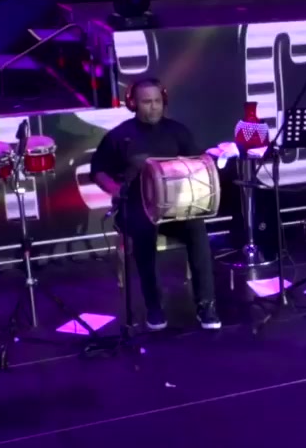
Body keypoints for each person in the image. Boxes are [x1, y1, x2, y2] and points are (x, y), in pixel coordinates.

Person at [90, 78, 221, 331]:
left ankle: (206, 304)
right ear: (133, 104)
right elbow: (98, 171)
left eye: (158, 101)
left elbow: (198, 162)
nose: (154, 107)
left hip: (174, 209)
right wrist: (115, 190)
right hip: (137, 208)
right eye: (147, 102)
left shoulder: (177, 131)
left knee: (197, 229)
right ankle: (154, 305)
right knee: (143, 232)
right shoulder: (120, 136)